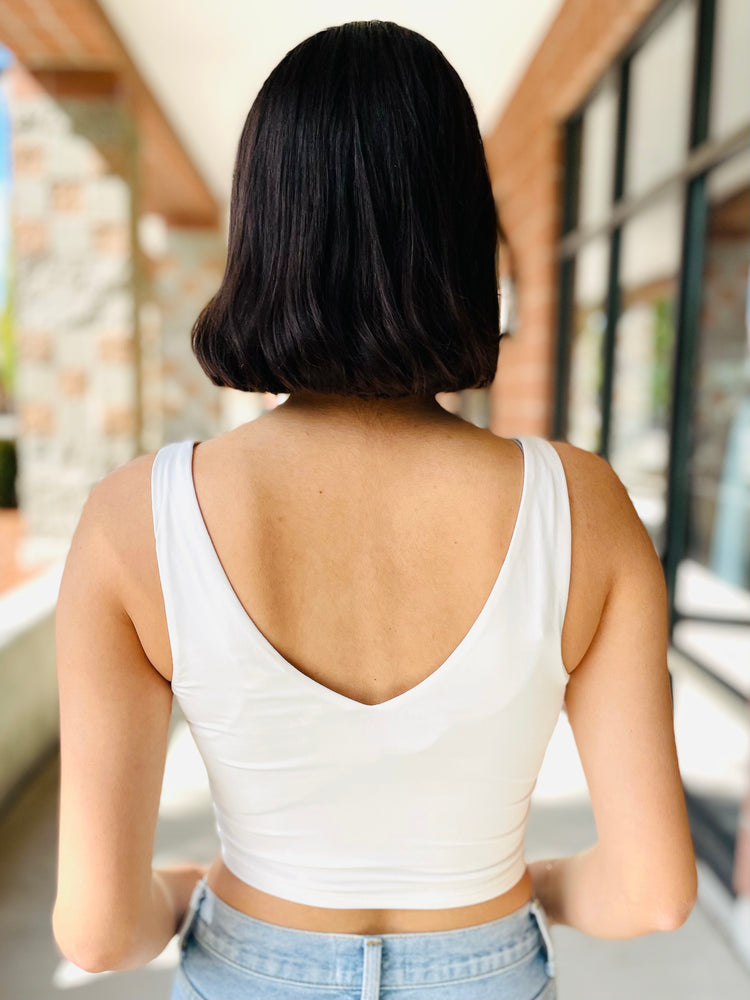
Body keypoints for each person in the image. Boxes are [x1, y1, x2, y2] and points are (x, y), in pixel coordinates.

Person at [51, 19, 698, 1000]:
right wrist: (537, 891)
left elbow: (97, 933)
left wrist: (181, 895)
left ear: (262, 230)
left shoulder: (132, 518)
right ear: (463, 230)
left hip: (247, 964)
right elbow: (653, 891)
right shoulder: (584, 507)